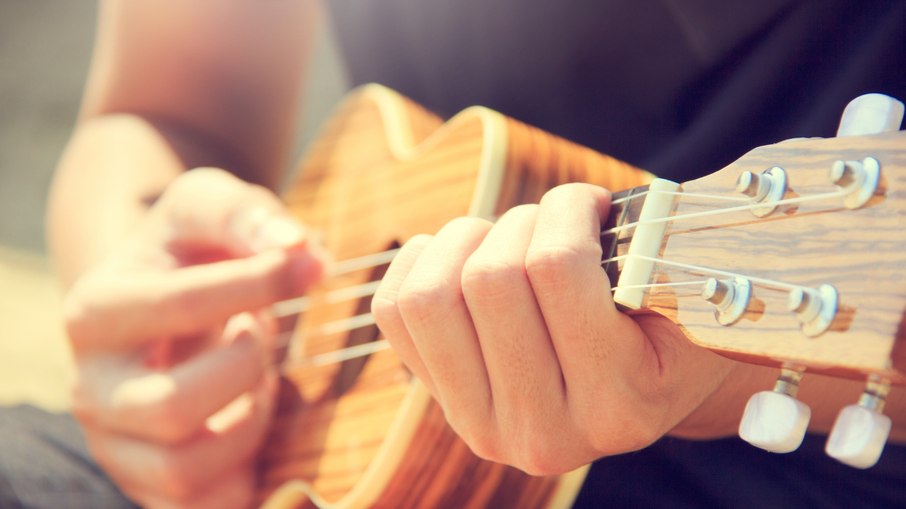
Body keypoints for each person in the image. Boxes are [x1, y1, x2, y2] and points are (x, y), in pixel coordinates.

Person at [2, 0, 904, 507]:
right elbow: (166, 111)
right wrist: (150, 336)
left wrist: (711, 374)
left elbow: (872, 262)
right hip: (289, 449)